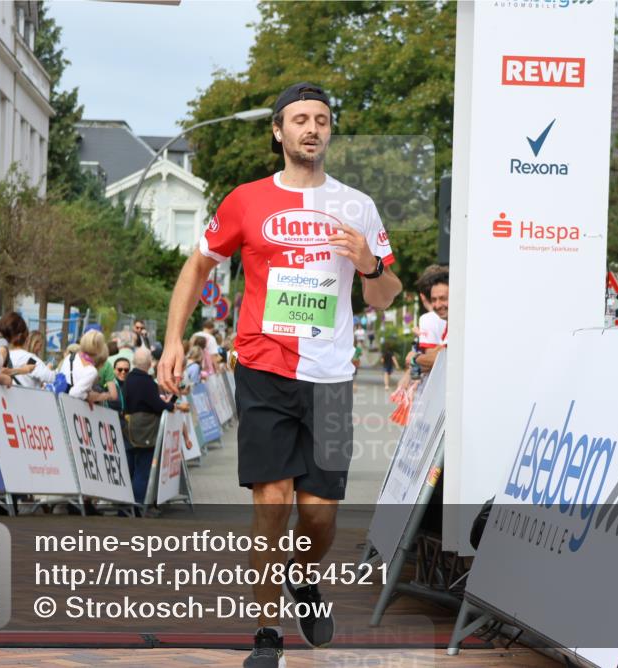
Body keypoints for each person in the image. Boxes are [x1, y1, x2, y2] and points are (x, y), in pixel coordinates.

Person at [157, 81, 402, 668]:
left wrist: (369, 263)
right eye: (299, 119)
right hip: (263, 368)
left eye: (321, 118)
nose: (311, 128)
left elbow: (388, 296)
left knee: (319, 514)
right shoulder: (245, 201)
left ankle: (305, 579)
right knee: (272, 502)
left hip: (332, 376)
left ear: (329, 131)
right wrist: (171, 342)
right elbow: (197, 268)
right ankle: (266, 635)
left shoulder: (357, 205)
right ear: (278, 131)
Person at [124, 347, 176, 502]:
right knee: (143, 470)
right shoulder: (146, 382)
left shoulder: (129, 379)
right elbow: (157, 404)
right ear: (149, 363)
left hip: (129, 426)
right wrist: (171, 405)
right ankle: (139, 506)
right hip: (145, 430)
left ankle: (128, 506)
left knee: (132, 468)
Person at [56, 329, 113, 405]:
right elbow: (74, 393)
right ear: (99, 348)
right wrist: (90, 396)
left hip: (58, 399)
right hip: (71, 406)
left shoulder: (71, 357)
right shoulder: (91, 371)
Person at [5, 317, 55, 389]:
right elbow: (51, 377)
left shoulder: (5, 355)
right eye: (40, 345)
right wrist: (49, 369)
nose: (40, 349)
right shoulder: (31, 359)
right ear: (29, 340)